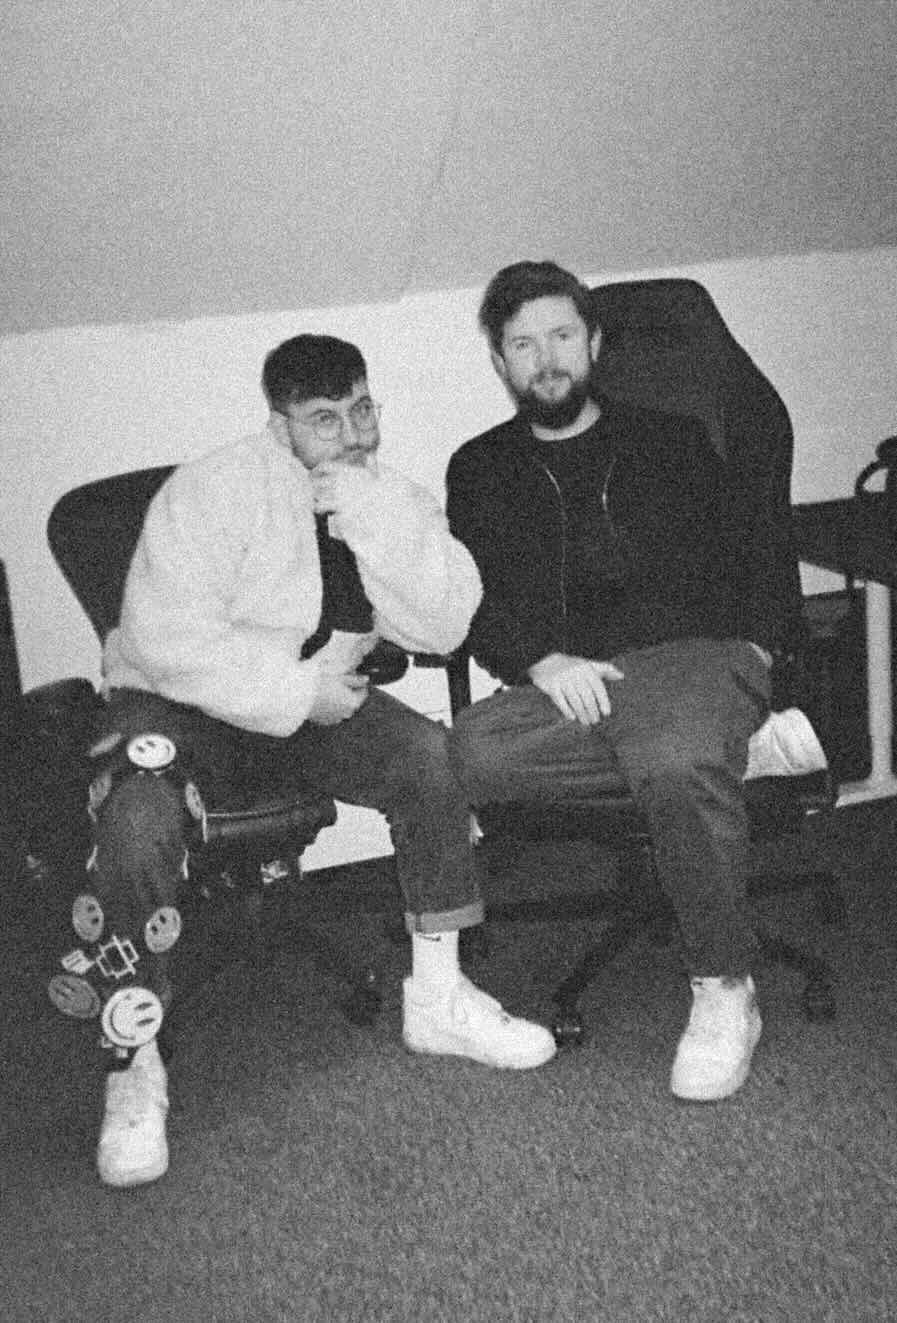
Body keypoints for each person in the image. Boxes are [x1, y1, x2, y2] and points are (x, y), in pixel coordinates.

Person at [50, 334, 557, 1190]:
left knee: (426, 758)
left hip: (306, 700)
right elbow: (164, 640)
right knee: (136, 819)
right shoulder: (211, 489)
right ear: (280, 423)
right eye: (325, 419)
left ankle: (438, 997)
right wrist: (297, 690)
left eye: (362, 410)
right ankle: (131, 1058)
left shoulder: (383, 491)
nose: (352, 434)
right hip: (175, 698)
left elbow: (445, 622)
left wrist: (373, 515)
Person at [445, 261, 826, 1104]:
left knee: (670, 750)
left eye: (560, 335)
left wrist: (761, 648)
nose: (546, 358)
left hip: (693, 656)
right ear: (500, 361)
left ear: (594, 343)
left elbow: (755, 546)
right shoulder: (478, 469)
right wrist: (542, 662)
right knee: (469, 753)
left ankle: (724, 985)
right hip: (576, 686)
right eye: (522, 344)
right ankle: (727, 753)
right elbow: (475, 600)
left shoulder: (672, 439)